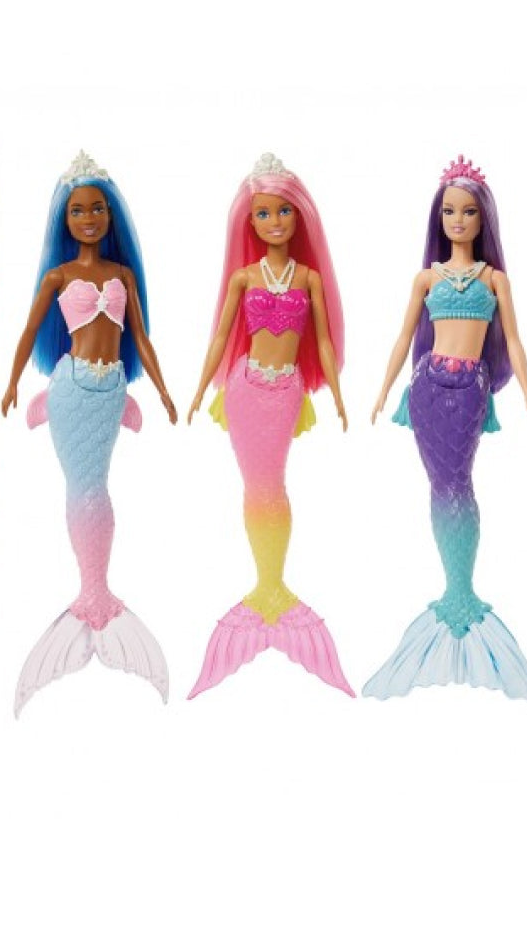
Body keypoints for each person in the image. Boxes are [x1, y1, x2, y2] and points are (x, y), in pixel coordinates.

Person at [364, 155, 527, 702]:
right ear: (438, 217)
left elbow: (513, 340)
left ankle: (461, 591)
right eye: (449, 211)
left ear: (482, 218)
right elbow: (404, 337)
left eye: (468, 212)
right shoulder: (426, 277)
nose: (458, 220)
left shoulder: (494, 279)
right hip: (427, 386)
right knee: (440, 484)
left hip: (470, 388)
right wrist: (383, 388)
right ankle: (454, 588)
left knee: (458, 483)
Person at [2, 151, 176, 716]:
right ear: (65, 219)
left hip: (112, 389)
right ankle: (91, 592)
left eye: (97, 209)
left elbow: (140, 338)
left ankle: (96, 591)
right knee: (86, 487)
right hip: (73, 388)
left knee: (97, 485)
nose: (88, 219)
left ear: (110, 214)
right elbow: (30, 330)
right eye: (78, 211)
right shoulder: (58, 276)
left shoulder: (122, 275)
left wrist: (163, 389)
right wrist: (11, 384)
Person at [187, 153, 353, 698]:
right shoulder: (242, 277)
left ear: (299, 216)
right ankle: (265, 585)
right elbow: (220, 336)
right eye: (263, 213)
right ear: (249, 221)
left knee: (273, 485)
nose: (274, 221)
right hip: (244, 387)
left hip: (285, 392)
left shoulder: (307, 277)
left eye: (283, 211)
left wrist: (339, 395)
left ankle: (273, 585)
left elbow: (322, 340)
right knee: (255, 485)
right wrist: (199, 388)